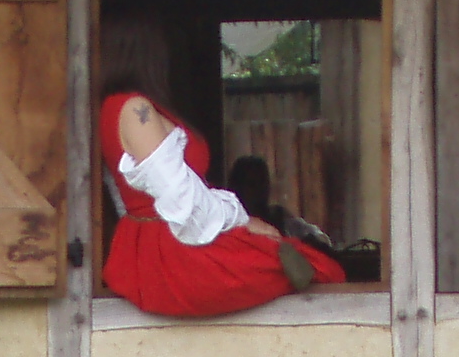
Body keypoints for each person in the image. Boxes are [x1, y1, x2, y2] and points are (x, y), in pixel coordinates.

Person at [99, 90, 346, 318]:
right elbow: (182, 201)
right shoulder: (134, 109)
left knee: (304, 260)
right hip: (173, 253)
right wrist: (242, 219)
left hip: (166, 242)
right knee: (318, 267)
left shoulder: (121, 106)